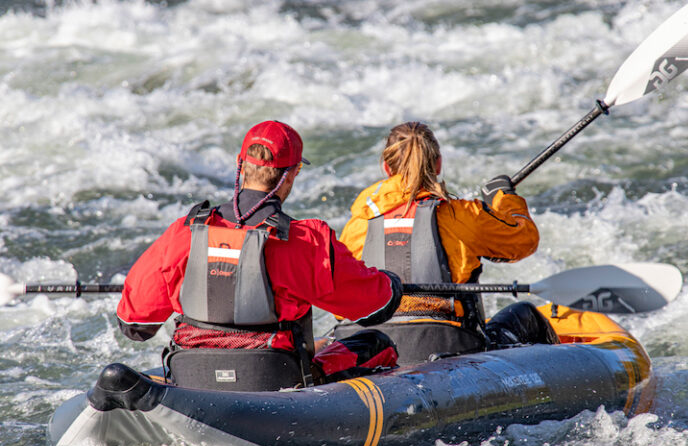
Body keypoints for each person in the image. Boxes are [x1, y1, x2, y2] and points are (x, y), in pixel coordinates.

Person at [116, 120, 402, 391]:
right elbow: (375, 307)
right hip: (273, 380)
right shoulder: (306, 240)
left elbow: (134, 324)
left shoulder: (184, 232)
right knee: (376, 344)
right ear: (292, 173)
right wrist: (391, 282)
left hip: (192, 374)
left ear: (241, 166)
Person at [335, 121, 558, 365]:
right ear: (438, 164)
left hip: (373, 351)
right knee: (526, 314)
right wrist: (505, 199)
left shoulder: (357, 224)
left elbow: (338, 307)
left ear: (387, 168)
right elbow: (523, 240)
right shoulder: (461, 215)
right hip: (449, 348)